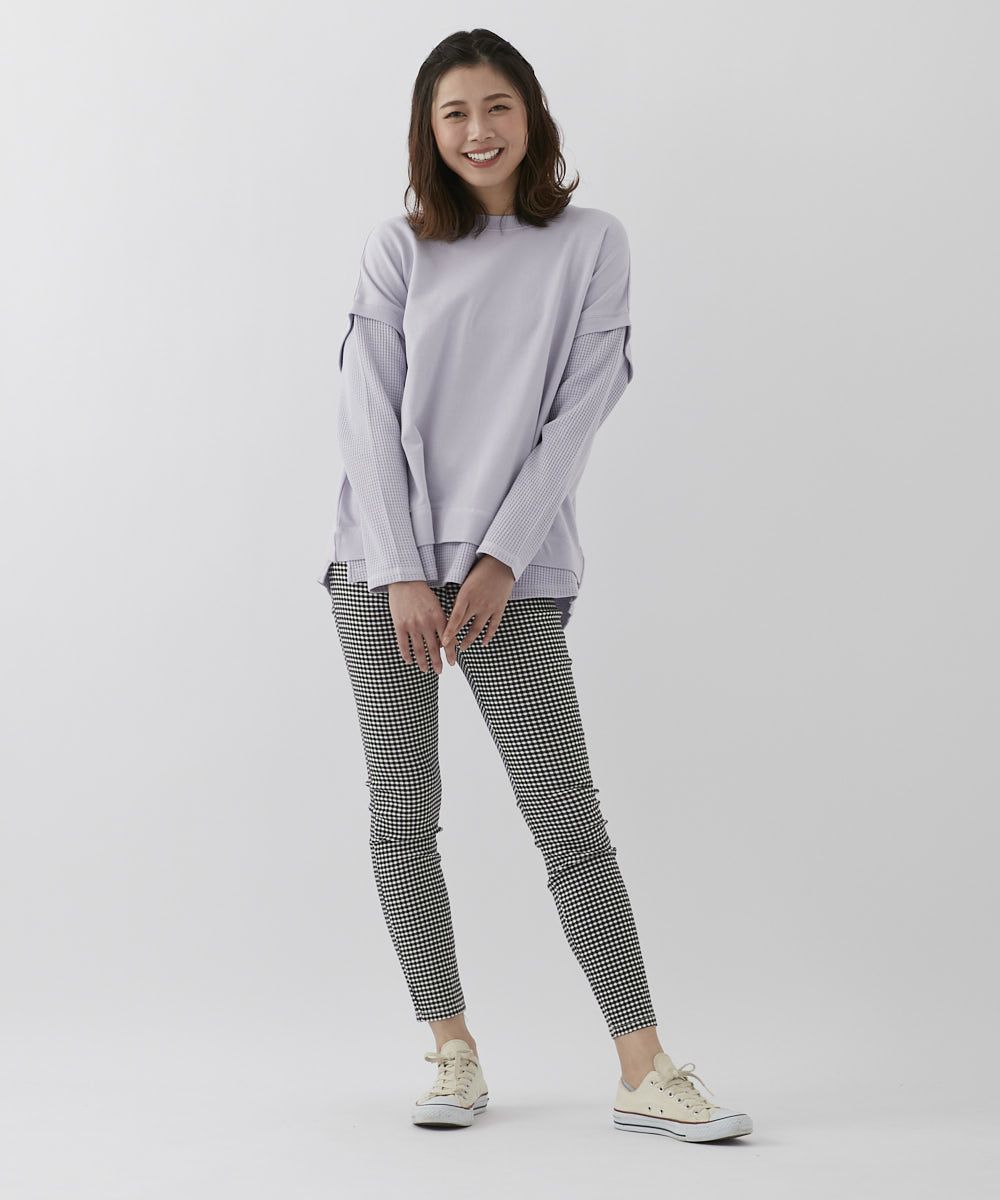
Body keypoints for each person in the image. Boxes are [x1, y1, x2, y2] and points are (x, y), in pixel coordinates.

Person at [317, 28, 753, 1142]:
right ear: (428, 130)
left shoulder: (591, 243)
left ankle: (643, 1068)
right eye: (454, 112)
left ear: (532, 115)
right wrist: (402, 571)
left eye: (497, 106)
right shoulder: (396, 249)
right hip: (383, 573)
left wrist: (500, 559)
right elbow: (366, 411)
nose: (478, 131)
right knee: (401, 817)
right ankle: (450, 1049)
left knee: (567, 821)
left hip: (512, 579)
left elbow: (581, 408)